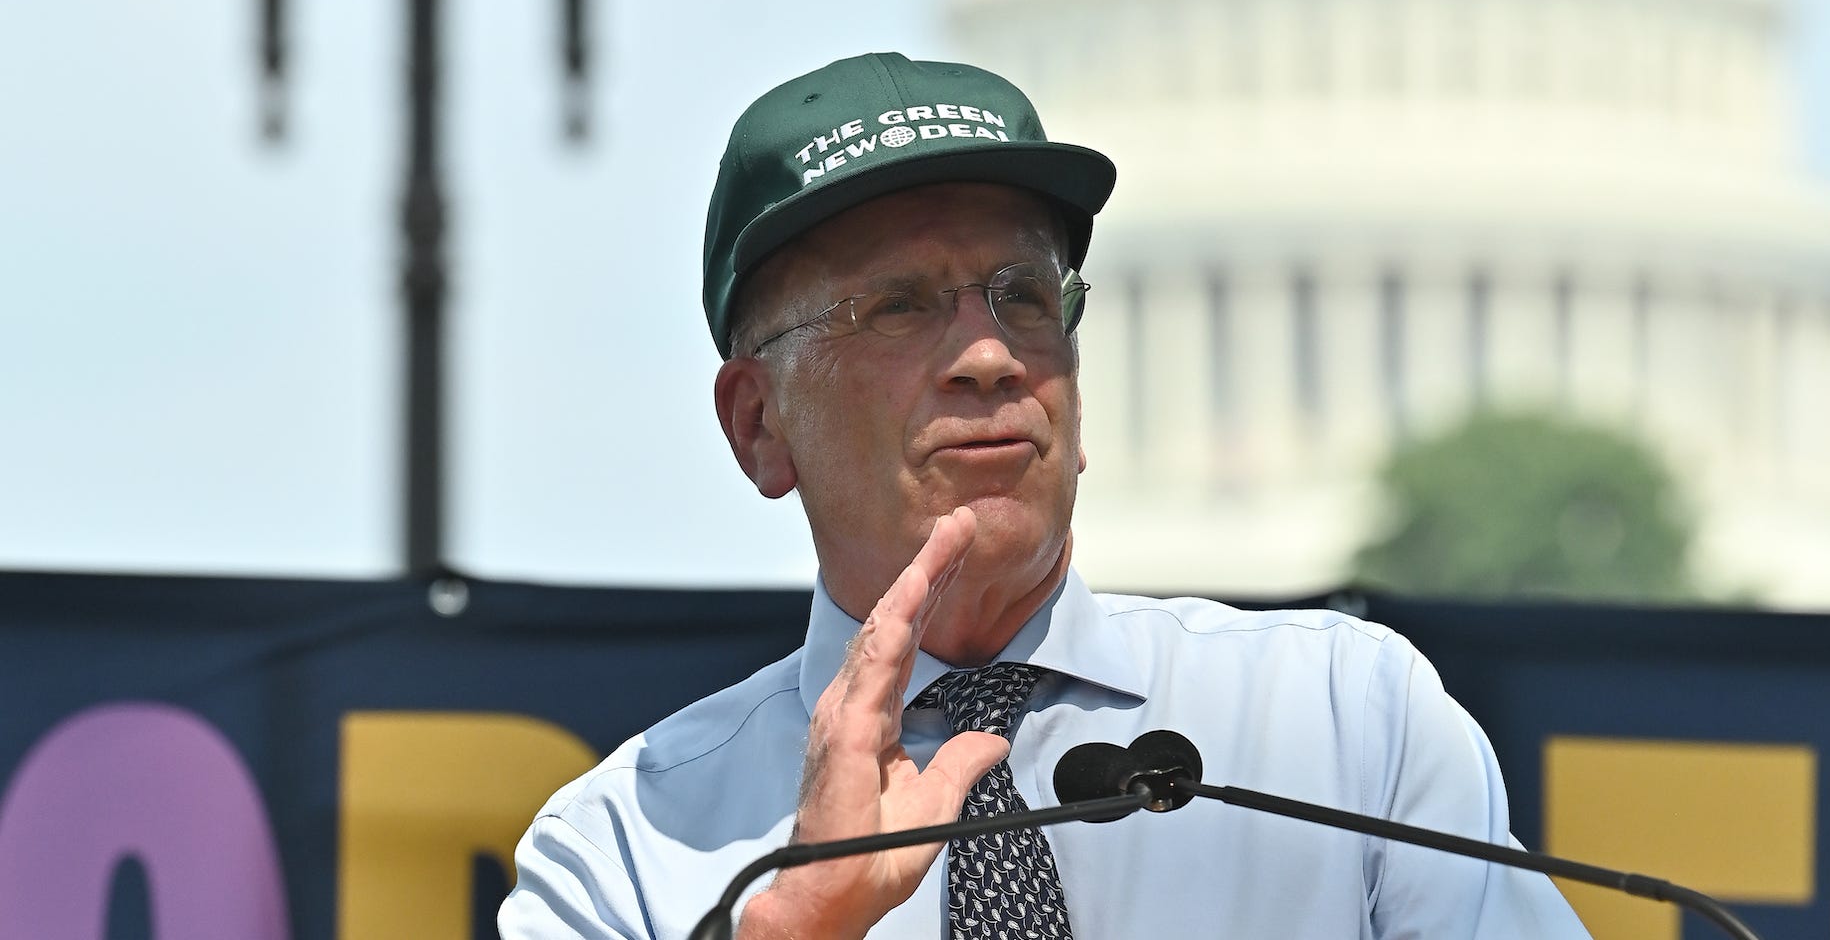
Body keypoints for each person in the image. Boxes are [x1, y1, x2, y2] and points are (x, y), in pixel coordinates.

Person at [499, 52, 1591, 939]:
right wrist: (799, 930)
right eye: (895, 306)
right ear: (756, 423)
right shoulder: (621, 851)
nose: (987, 354)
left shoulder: (1346, 729)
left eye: (1022, 293)